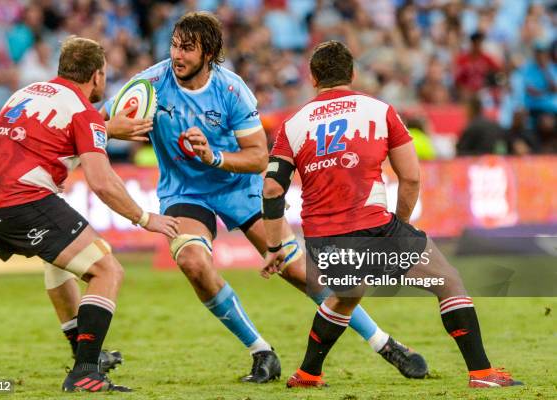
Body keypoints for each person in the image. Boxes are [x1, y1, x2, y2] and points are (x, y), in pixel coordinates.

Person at [104, 11, 428, 382]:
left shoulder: (232, 90)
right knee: (194, 263)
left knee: (299, 272)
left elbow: (260, 156)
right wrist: (113, 127)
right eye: (175, 46)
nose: (177, 55)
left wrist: (214, 156)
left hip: (240, 188)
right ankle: (261, 352)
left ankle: (385, 343)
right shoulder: (149, 84)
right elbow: (95, 123)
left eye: (188, 49)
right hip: (185, 191)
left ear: (208, 53)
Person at [262, 40, 523, 389]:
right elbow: (411, 176)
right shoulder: (379, 110)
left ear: (312, 77)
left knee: (347, 294)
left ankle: (309, 373)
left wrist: (275, 244)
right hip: (373, 227)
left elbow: (271, 189)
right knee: (448, 282)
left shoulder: (292, 124)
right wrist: (399, 225)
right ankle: (482, 374)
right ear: (353, 74)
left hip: (322, 237)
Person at [0, 36, 179, 392]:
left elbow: (47, 134)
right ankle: (86, 372)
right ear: (96, 76)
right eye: (105, 75)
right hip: (20, 200)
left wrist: (104, 128)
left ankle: (83, 352)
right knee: (106, 269)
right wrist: (144, 218)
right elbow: (102, 181)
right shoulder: (83, 111)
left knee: (59, 261)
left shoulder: (28, 92)